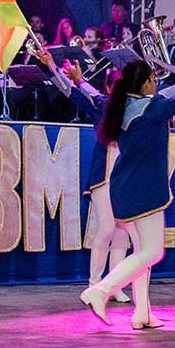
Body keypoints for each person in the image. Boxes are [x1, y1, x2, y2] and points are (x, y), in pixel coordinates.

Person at [78, 43, 175, 329]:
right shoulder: (153, 107)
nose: (156, 84)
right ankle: (101, 290)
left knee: (142, 251)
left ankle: (142, 313)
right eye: (153, 79)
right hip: (144, 190)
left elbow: (94, 95)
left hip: (125, 189)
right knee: (152, 252)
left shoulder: (118, 106)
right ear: (145, 84)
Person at [34, 48, 132, 306]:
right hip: (103, 178)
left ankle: (115, 285)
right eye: (118, 87)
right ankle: (94, 284)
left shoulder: (135, 111)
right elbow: (71, 91)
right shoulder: (101, 106)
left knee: (122, 233)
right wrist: (51, 66)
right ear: (109, 89)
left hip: (124, 180)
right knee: (107, 228)